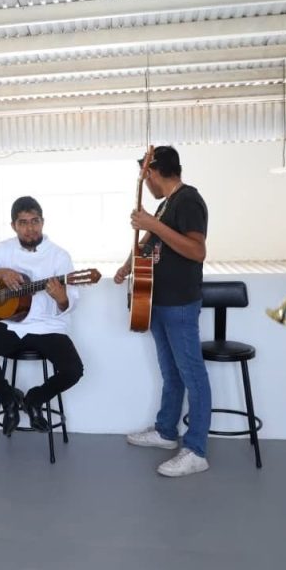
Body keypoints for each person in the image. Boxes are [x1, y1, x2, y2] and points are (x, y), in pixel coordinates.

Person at [115, 145, 211, 478]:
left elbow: (197, 250)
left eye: (146, 176)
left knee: (192, 375)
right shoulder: (165, 204)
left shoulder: (188, 200)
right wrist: (127, 266)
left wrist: (153, 225)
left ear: (153, 172)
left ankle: (196, 450)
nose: (146, 183)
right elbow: (148, 243)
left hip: (180, 303)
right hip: (158, 300)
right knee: (171, 372)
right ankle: (166, 431)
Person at [0, 196, 84, 436]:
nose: (30, 228)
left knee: (73, 370)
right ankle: (8, 397)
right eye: (23, 223)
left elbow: (70, 300)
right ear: (14, 226)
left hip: (48, 326)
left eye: (35, 221)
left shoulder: (59, 256)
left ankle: (34, 399)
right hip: (13, 325)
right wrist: (0, 272)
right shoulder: (3, 249)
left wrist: (61, 297)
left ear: (43, 222)